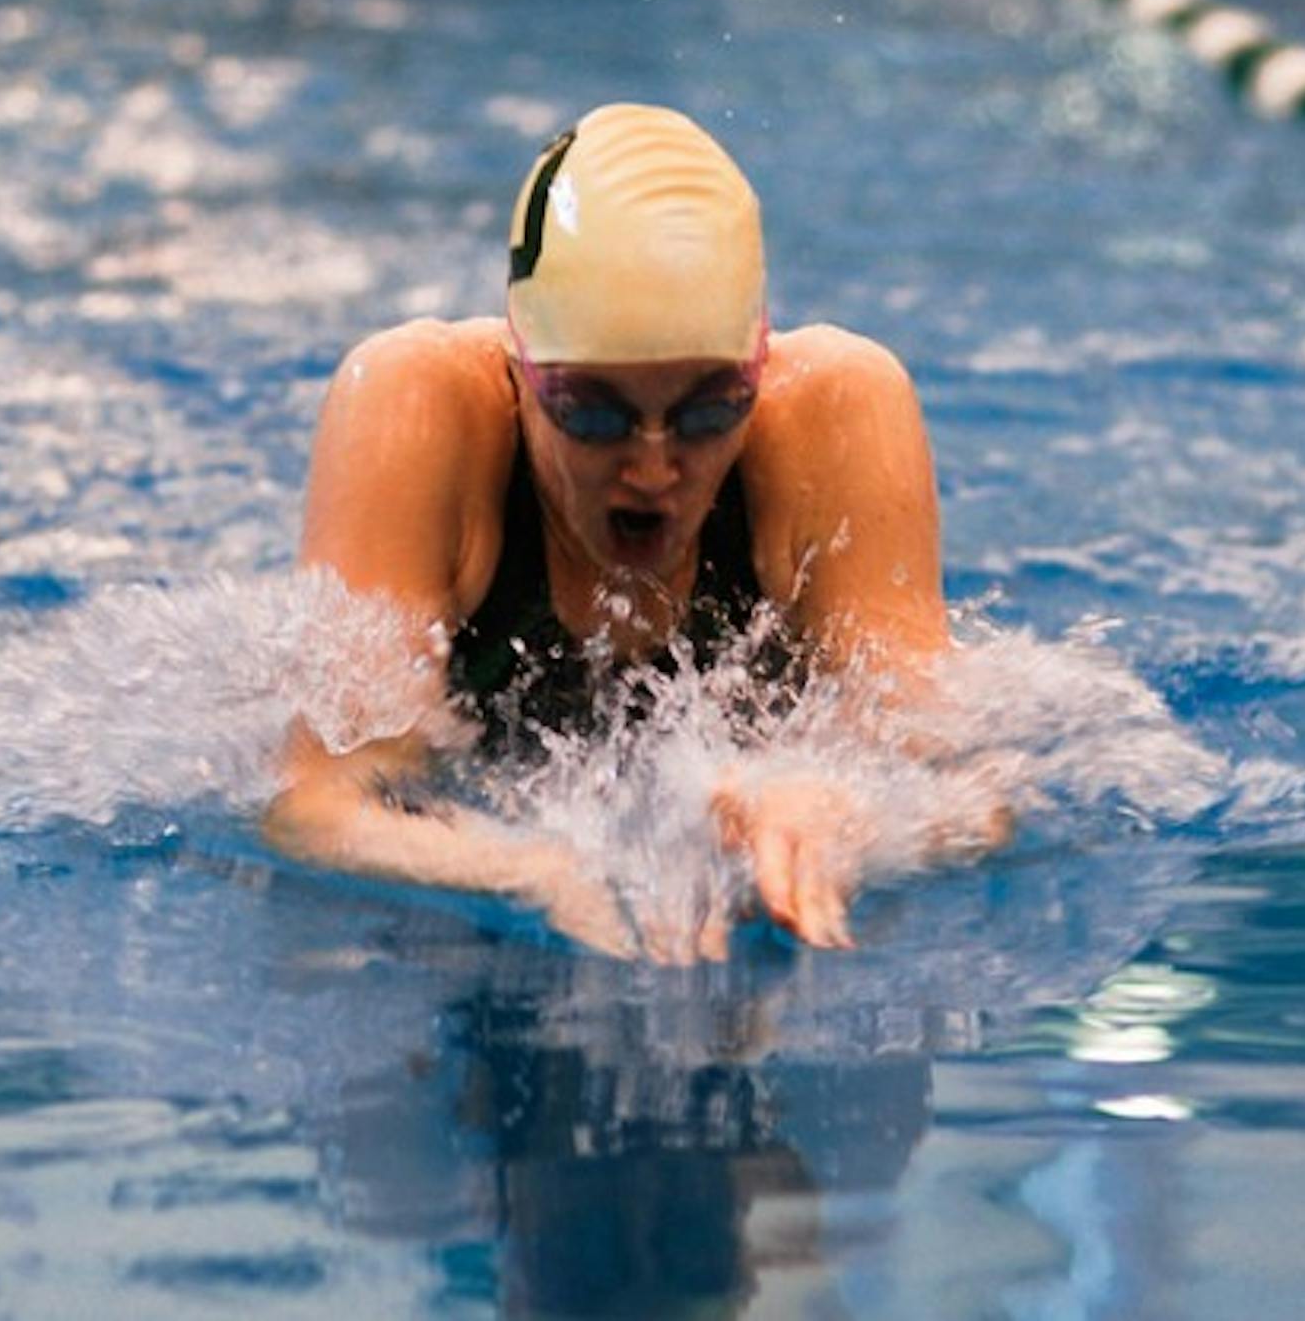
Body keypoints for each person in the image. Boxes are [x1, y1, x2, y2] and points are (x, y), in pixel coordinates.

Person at [265, 102, 997, 960]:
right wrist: (525, 872)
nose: (654, 468)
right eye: (594, 413)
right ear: (521, 366)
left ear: (760, 367)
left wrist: (845, 812)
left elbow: (975, 786)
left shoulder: (836, 411)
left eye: (709, 410)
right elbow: (320, 798)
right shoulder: (422, 409)